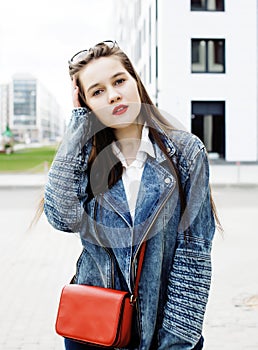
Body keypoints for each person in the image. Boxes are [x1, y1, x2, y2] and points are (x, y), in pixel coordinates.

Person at [44, 40, 220, 350]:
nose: (112, 95)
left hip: (167, 332)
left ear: (135, 81)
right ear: (86, 104)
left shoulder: (185, 152)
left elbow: (194, 254)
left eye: (119, 81)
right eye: (97, 92)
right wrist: (77, 126)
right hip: (94, 330)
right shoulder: (86, 160)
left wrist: (175, 342)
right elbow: (61, 216)